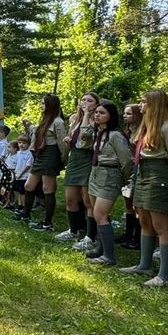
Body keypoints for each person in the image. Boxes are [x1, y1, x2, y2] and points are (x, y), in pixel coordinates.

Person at [122, 89, 168, 286]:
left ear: (155, 104)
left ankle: (165, 275)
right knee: (144, 221)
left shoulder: (167, 127)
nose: (140, 105)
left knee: (161, 225)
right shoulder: (146, 126)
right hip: (143, 172)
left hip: (160, 175)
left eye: (144, 102)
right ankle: (144, 264)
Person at [86, 100, 132, 266]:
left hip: (110, 173)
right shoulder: (99, 132)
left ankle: (109, 255)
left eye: (102, 113)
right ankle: (100, 247)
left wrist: (124, 178)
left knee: (100, 214)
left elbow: (126, 160)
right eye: (96, 112)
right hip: (96, 172)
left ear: (111, 116)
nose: (97, 115)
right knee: (97, 213)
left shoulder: (115, 135)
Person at [23, 94, 68, 230]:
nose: (41, 106)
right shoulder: (44, 120)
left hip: (51, 154)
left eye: (43, 104)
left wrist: (63, 159)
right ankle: (25, 215)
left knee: (48, 189)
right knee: (29, 186)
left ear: (51, 105)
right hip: (41, 154)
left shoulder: (58, 122)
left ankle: (47, 222)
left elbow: (62, 142)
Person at [61, 93, 99, 246]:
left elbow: (86, 136)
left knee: (87, 200)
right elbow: (75, 139)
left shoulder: (95, 121)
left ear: (96, 104)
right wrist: (68, 140)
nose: (85, 103)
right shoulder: (74, 119)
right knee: (70, 198)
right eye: (83, 100)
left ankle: (90, 236)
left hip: (88, 159)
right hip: (74, 159)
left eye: (90, 101)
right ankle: (73, 230)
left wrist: (88, 114)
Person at [118, 103, 144, 249]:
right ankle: (128, 233)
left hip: (138, 169)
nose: (125, 116)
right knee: (128, 201)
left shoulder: (141, 131)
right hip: (129, 169)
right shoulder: (127, 131)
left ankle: (137, 237)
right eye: (125, 113)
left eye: (129, 114)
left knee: (137, 205)